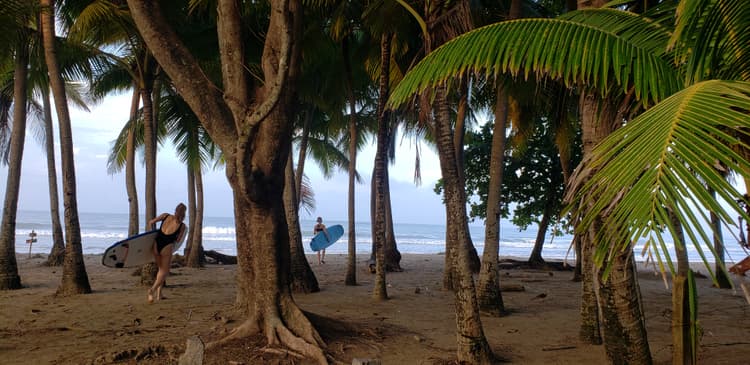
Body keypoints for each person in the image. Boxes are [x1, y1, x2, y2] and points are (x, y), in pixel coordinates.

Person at [146, 203, 187, 303]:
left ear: (175, 210)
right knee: (164, 272)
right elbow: (178, 240)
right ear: (184, 213)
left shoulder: (165, 216)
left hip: (156, 245)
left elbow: (151, 222)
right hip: (166, 248)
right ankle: (152, 290)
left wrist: (151, 235)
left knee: (161, 270)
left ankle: (159, 294)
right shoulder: (182, 226)